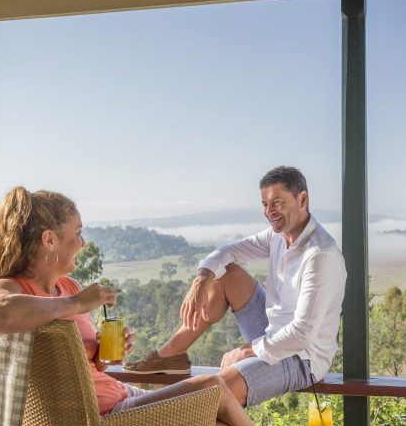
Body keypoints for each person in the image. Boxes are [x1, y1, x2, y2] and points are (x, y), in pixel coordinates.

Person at [0, 187, 256, 426]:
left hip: (116, 396)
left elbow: (90, 368)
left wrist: (104, 354)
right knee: (212, 385)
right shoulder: (8, 288)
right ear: (49, 240)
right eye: (77, 233)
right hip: (100, 419)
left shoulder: (69, 287)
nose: (82, 242)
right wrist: (76, 305)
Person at [126, 166, 347, 409]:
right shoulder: (277, 237)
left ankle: (140, 411)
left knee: (215, 391)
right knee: (225, 274)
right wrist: (202, 279)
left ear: (302, 199)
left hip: (302, 356)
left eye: (277, 203)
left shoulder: (320, 255)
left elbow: (302, 334)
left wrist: (248, 350)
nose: (269, 212)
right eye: (265, 204)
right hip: (272, 330)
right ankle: (170, 356)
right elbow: (227, 251)